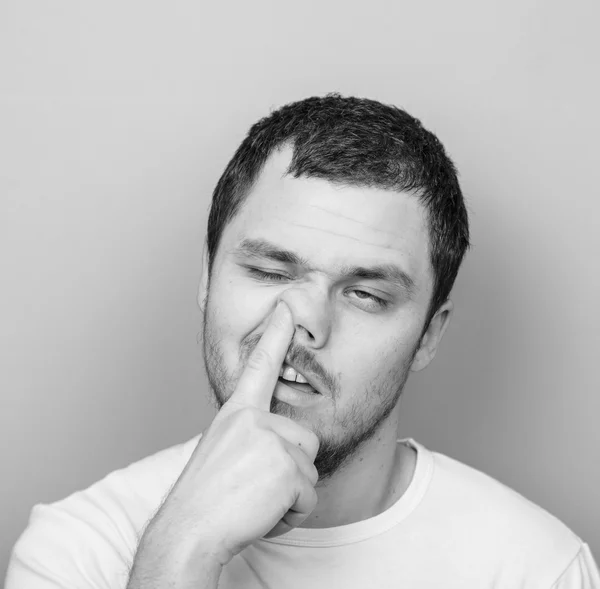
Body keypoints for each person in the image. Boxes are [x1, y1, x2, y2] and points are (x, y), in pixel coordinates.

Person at [6, 94, 599, 588]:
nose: (307, 322)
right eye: (269, 271)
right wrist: (183, 549)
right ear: (207, 282)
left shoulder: (538, 569)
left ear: (428, 336)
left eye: (366, 294)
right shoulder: (77, 550)